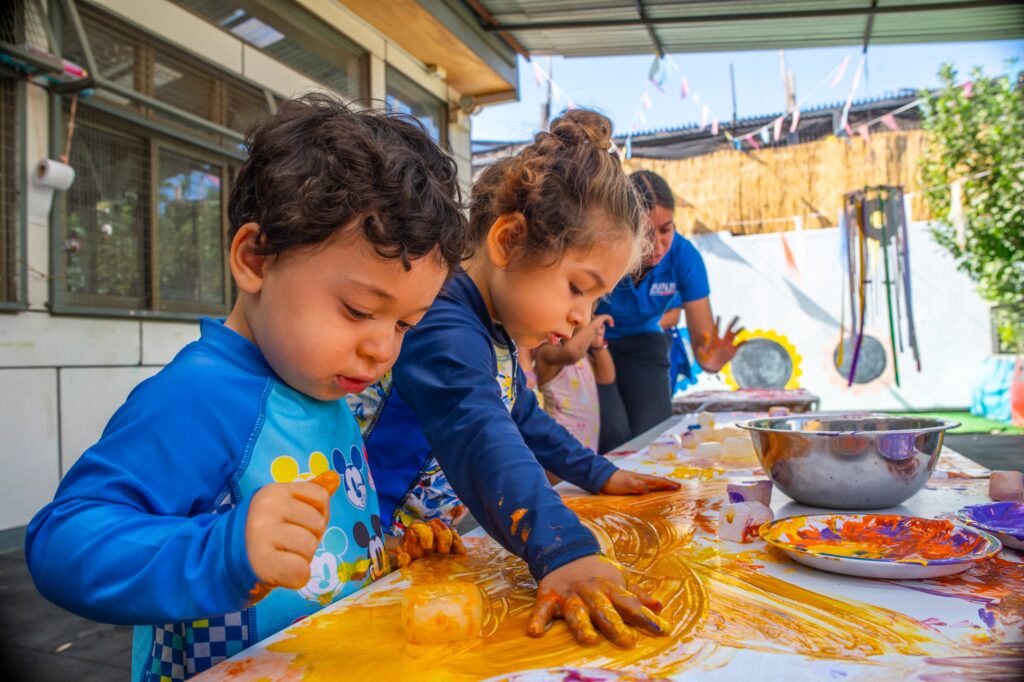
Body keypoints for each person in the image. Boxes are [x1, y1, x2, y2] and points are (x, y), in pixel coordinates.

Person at [24, 94, 469, 681]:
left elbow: (320, 545)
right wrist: (225, 550)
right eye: (360, 310)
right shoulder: (201, 398)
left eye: (405, 324)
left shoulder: (321, 387)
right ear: (256, 258)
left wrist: (385, 550)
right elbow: (63, 540)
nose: (383, 349)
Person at [348, 110, 680, 649]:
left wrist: (599, 474)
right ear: (509, 241)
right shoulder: (443, 325)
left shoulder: (493, 331)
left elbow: (523, 417)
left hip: (413, 550)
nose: (582, 315)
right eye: (578, 287)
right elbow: (482, 431)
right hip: (364, 547)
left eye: (596, 300)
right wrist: (566, 550)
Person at [597, 170, 742, 452]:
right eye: (646, 233)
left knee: (651, 439)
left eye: (666, 229)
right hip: (588, 346)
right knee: (611, 437)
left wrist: (713, 360)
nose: (658, 244)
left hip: (645, 342)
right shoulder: (603, 250)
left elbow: (704, 347)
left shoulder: (685, 256)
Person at [535, 313, 615, 453]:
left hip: (587, 441)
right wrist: (594, 326)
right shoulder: (547, 351)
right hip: (560, 439)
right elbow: (571, 353)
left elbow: (606, 377)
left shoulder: (582, 356)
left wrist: (598, 345)